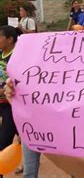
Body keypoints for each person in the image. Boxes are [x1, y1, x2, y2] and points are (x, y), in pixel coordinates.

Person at [0, 26, 20, 177]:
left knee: (4, 140)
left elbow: (21, 83)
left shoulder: (17, 57)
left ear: (10, 39)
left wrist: (5, 91)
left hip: (11, 106)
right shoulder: (0, 54)